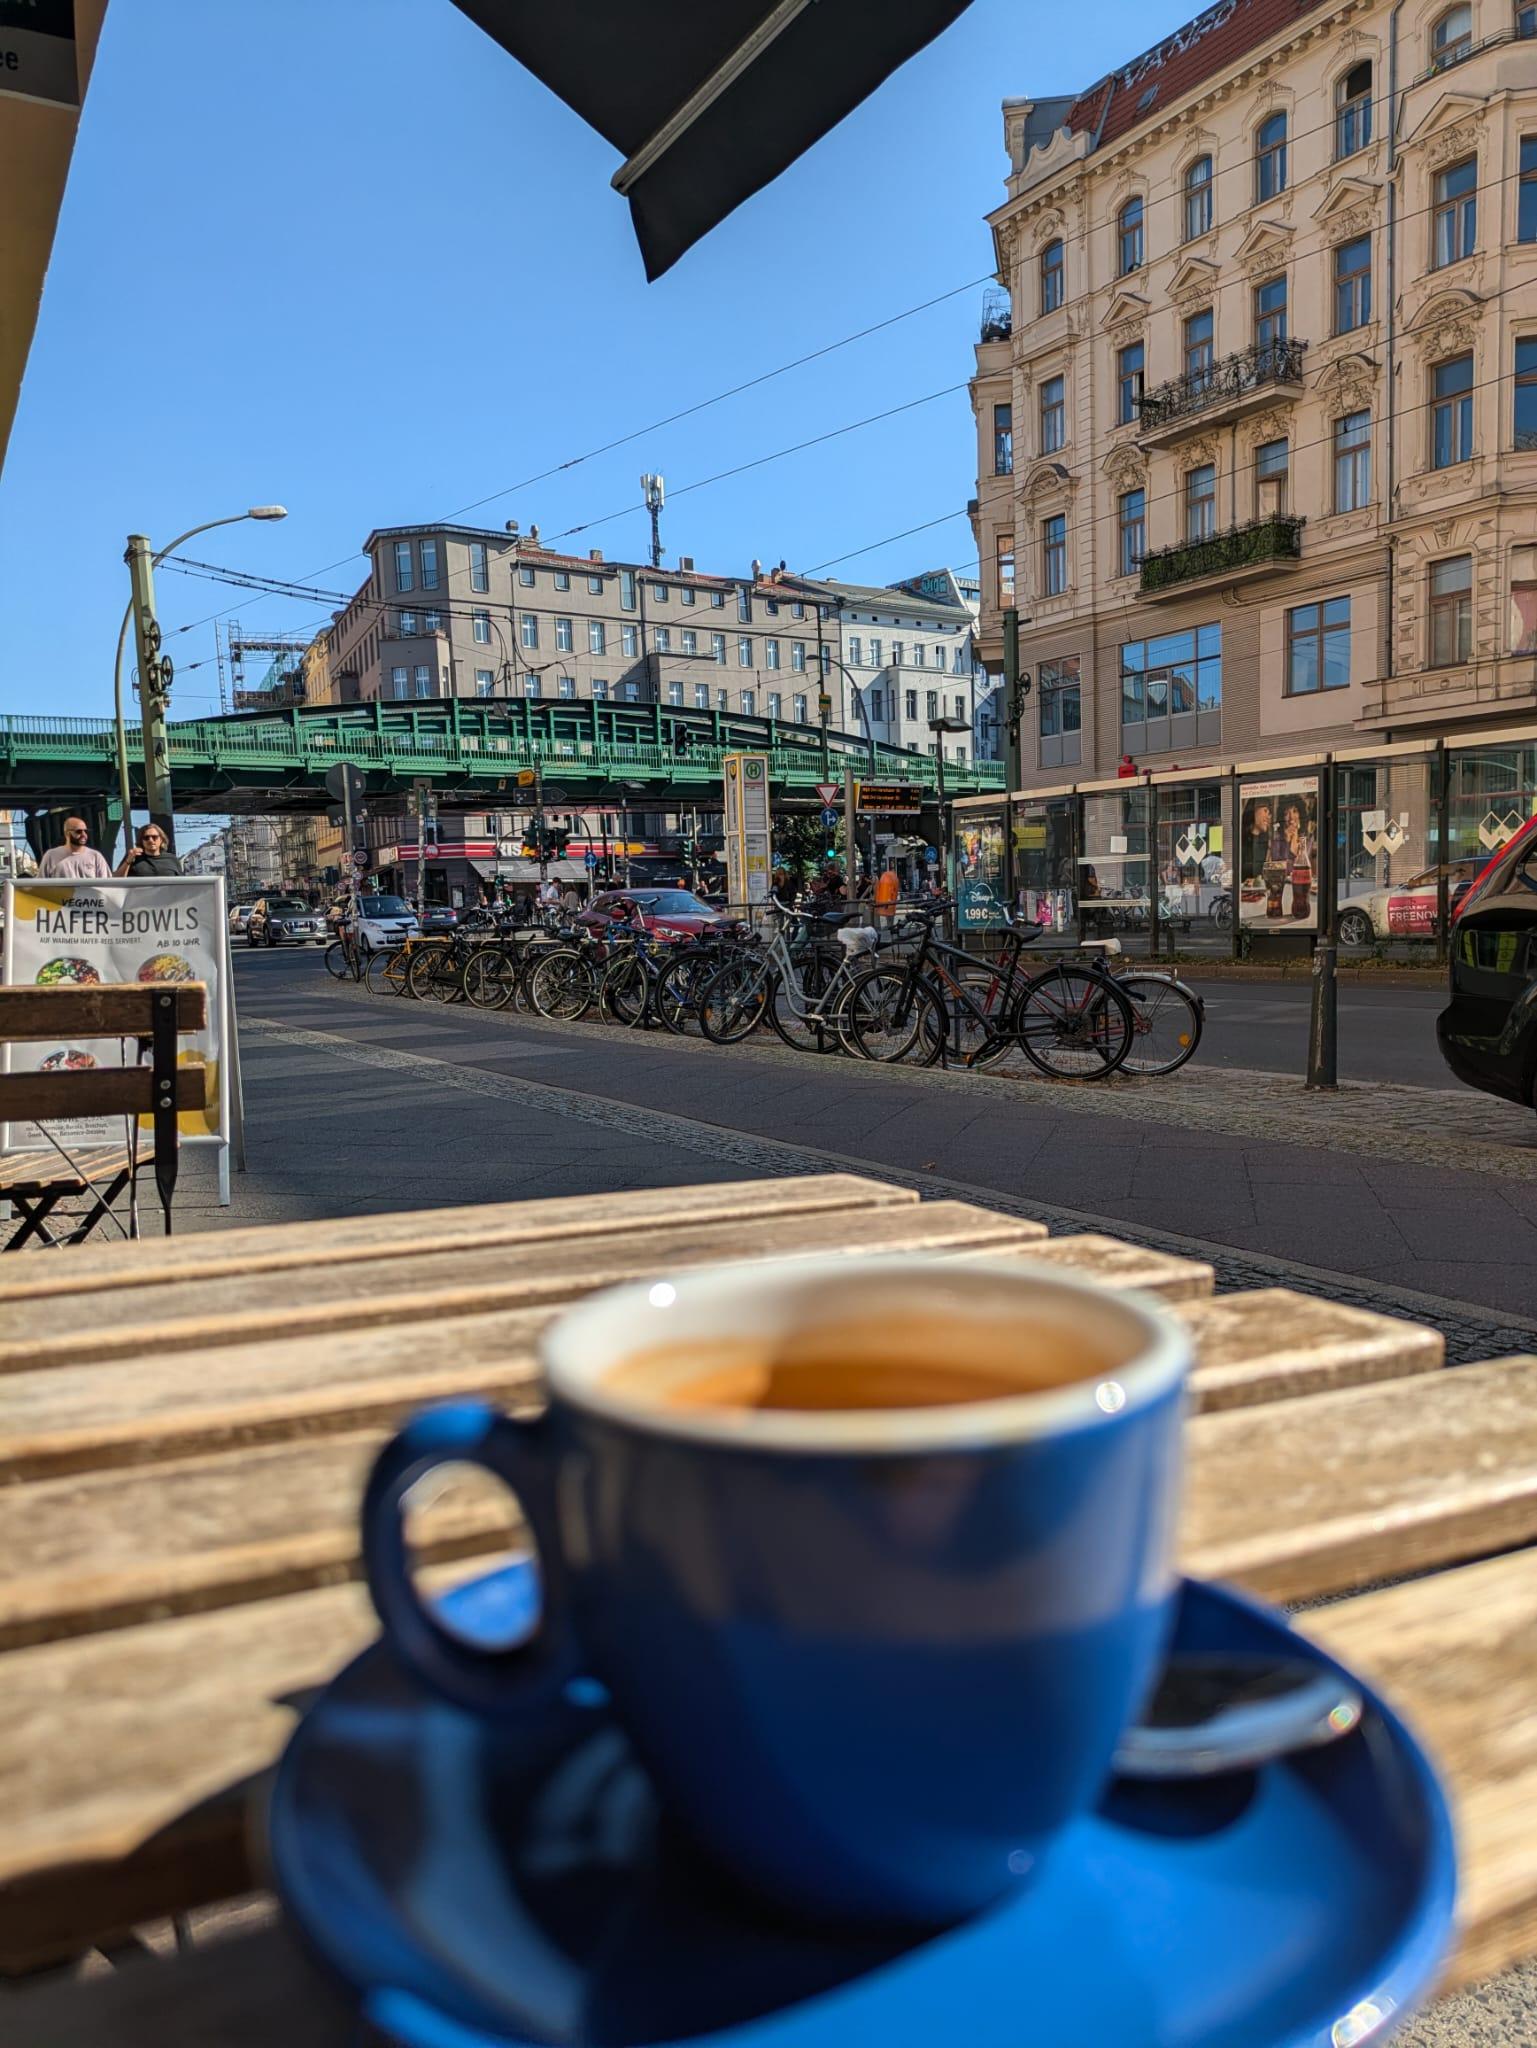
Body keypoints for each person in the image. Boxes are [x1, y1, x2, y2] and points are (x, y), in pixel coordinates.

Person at [39, 817, 112, 879]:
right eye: (79, 831)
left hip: (90, 896)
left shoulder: (96, 856)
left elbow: (106, 885)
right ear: (67, 833)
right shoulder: (51, 855)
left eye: (85, 831)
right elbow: (40, 885)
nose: (84, 835)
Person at [116, 822, 182, 877]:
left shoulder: (172, 859)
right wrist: (128, 861)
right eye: (146, 837)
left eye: (154, 837)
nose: (150, 840)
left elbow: (181, 884)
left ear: (161, 839)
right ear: (141, 841)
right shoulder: (133, 857)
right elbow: (117, 881)